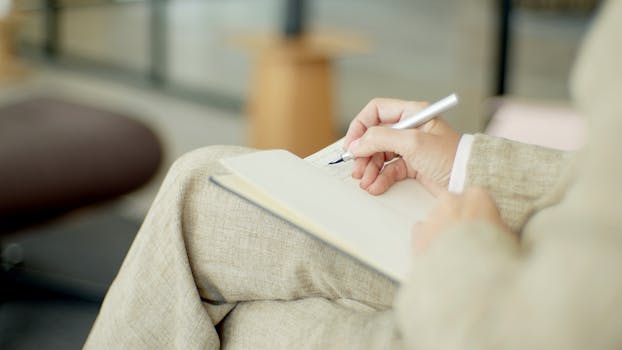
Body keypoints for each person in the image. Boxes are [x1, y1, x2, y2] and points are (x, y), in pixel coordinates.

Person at [85, 1, 622, 349]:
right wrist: (465, 161)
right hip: (554, 242)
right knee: (202, 186)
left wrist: (468, 248)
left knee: (238, 328)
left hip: (517, 300)